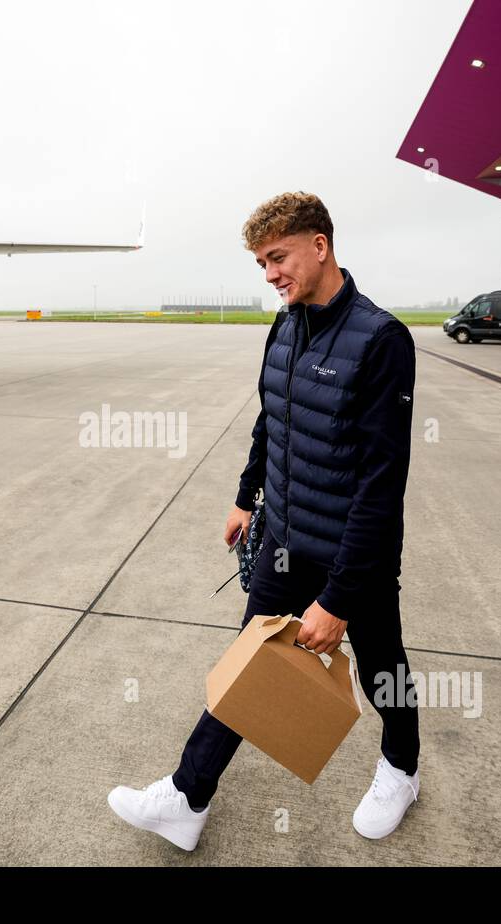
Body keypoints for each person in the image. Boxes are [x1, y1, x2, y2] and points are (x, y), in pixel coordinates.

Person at [107, 192, 420, 851]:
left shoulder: (381, 340)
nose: (271, 274)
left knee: (380, 664)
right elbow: (270, 419)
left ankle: (401, 768)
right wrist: (247, 497)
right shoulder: (285, 326)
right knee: (250, 663)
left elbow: (381, 481)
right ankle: (188, 798)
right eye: (260, 264)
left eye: (277, 257)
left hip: (349, 553)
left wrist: (338, 596)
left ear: (320, 246)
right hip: (282, 538)